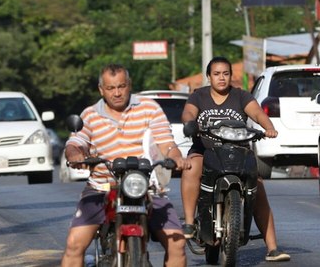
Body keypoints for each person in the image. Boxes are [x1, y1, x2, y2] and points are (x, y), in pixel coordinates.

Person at [61, 64, 190, 267]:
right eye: (111, 88)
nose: (117, 93)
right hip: (101, 188)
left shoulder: (149, 108)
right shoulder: (90, 114)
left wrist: (176, 157)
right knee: (74, 245)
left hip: (147, 188)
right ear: (101, 89)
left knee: (177, 244)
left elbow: (166, 142)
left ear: (129, 85)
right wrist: (75, 155)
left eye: (121, 86)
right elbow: (76, 142)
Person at [180, 56, 291, 262]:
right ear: (209, 77)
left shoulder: (241, 96)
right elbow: (188, 112)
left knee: (257, 187)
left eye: (225, 73)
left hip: (238, 153)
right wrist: (190, 124)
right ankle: (188, 222)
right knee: (191, 168)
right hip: (205, 151)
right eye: (216, 74)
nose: (221, 78)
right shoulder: (199, 96)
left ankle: (273, 248)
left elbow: (257, 112)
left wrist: (269, 128)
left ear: (231, 75)